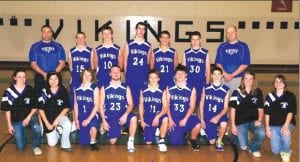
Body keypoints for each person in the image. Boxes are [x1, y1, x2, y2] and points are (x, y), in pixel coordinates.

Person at [1, 69, 42, 155]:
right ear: (14, 77)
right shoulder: (8, 92)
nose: (22, 79)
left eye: (24, 77)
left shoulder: (30, 90)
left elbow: (36, 106)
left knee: (38, 128)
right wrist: (9, 125)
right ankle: (22, 133)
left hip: (29, 117)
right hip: (16, 119)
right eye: (19, 77)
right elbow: (6, 110)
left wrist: (28, 117)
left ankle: (36, 145)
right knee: (20, 146)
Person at [99, 65, 138, 153]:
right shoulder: (104, 88)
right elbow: (100, 106)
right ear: (110, 74)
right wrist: (104, 121)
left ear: (120, 74)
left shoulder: (125, 87)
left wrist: (125, 115)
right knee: (113, 142)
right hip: (110, 115)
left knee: (134, 118)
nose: (116, 74)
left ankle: (131, 142)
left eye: (118, 72)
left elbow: (131, 104)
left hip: (123, 114)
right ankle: (106, 126)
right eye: (114, 72)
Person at [229, 70, 265, 157]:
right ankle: (234, 137)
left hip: (253, 120)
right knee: (243, 146)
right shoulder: (236, 92)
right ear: (242, 80)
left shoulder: (258, 92)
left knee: (261, 132)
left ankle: (254, 148)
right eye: (246, 79)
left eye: (250, 79)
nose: (248, 81)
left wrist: (260, 119)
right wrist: (233, 125)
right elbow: (232, 110)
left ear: (253, 80)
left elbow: (260, 108)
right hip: (241, 122)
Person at [165, 64, 201, 151]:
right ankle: (183, 133)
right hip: (174, 118)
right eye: (178, 73)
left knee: (198, 124)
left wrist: (185, 119)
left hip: (186, 117)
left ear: (186, 75)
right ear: (175, 76)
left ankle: (192, 139)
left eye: (182, 73)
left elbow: (192, 106)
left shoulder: (191, 89)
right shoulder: (169, 87)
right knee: (174, 143)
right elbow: (166, 105)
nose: (180, 75)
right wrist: (170, 119)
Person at [264, 75, 297, 162]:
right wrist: (267, 128)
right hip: (273, 124)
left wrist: (286, 125)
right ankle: (286, 143)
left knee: (285, 134)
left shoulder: (290, 96)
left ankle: (286, 151)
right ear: (274, 84)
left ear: (284, 84)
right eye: (276, 81)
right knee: (276, 151)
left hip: (287, 122)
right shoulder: (269, 96)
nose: (278, 83)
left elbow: (291, 112)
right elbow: (267, 113)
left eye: (280, 81)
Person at [37, 72, 72, 151]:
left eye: (55, 79)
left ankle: (65, 145)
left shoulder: (63, 90)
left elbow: (66, 107)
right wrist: (47, 123)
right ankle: (56, 131)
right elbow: (40, 109)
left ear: (59, 79)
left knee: (67, 124)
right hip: (48, 119)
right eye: (51, 79)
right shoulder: (44, 91)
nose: (53, 81)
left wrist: (56, 121)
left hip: (60, 117)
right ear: (48, 80)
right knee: (52, 144)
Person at [199, 67, 230, 151]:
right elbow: (201, 103)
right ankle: (207, 130)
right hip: (208, 115)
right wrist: (201, 119)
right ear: (211, 75)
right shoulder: (206, 87)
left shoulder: (226, 89)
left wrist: (218, 117)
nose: (216, 76)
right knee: (212, 142)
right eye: (214, 74)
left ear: (222, 76)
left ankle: (219, 140)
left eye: (218, 74)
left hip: (220, 114)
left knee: (223, 124)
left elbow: (226, 107)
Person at [29, 25, 66, 92]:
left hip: (55, 77)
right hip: (40, 77)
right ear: (41, 33)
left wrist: (53, 75)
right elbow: (33, 64)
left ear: (52, 33)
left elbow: (62, 63)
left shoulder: (58, 46)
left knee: (56, 99)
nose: (46, 34)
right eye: (44, 32)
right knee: (40, 99)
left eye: (49, 32)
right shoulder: (35, 47)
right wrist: (44, 74)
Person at [123, 21, 152, 107]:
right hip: (131, 73)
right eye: (139, 28)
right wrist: (126, 73)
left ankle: (141, 114)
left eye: (143, 29)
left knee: (142, 94)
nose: (141, 31)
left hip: (143, 74)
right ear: (136, 30)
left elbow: (147, 62)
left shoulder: (148, 45)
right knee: (130, 94)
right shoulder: (129, 44)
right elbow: (125, 61)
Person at [138, 69, 168, 152]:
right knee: (148, 142)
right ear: (148, 78)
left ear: (158, 79)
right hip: (148, 115)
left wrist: (157, 117)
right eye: (151, 77)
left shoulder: (162, 90)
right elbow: (141, 105)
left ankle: (161, 140)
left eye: (155, 77)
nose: (153, 79)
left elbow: (165, 108)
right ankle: (156, 129)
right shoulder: (143, 89)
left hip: (159, 114)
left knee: (165, 119)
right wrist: (142, 120)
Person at [215, 25, 250, 91]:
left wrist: (232, 75)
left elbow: (245, 63)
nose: (230, 34)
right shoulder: (222, 46)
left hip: (238, 78)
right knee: (223, 99)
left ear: (236, 32)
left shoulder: (243, 46)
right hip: (223, 78)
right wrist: (225, 74)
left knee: (235, 100)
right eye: (228, 33)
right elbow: (218, 63)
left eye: (232, 32)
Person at [74, 69, 101, 151]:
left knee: (93, 127)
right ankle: (93, 133)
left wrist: (88, 119)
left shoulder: (94, 88)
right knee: (84, 142)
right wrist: (76, 119)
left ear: (92, 77)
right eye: (85, 75)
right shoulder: (77, 88)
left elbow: (96, 106)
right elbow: (76, 104)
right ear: (82, 75)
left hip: (92, 115)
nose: (87, 77)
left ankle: (93, 141)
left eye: (89, 75)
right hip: (81, 115)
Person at [68, 31, 95, 110]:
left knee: (88, 98)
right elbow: (70, 67)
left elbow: (92, 67)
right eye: (78, 37)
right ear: (76, 39)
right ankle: (74, 119)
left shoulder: (90, 51)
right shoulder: (71, 51)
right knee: (74, 100)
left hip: (86, 79)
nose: (80, 39)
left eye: (82, 37)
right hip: (76, 78)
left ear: (85, 39)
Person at [183, 31, 211, 106]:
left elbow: (208, 70)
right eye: (193, 39)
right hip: (189, 81)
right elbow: (183, 70)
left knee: (201, 103)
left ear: (200, 40)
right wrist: (183, 83)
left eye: (197, 39)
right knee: (189, 103)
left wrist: (207, 85)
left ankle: (199, 117)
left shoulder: (205, 53)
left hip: (201, 81)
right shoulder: (186, 52)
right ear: (191, 41)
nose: (195, 41)